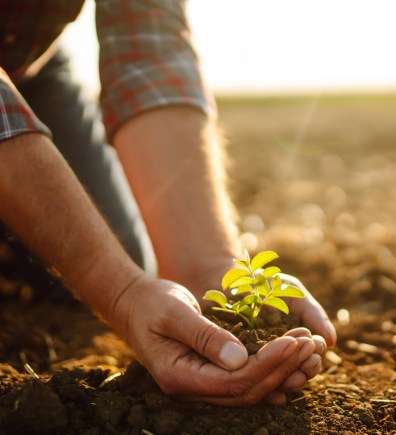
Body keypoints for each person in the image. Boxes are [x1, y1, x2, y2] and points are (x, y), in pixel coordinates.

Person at [0, 1, 336, 406]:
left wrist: (205, 264)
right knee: (102, 271)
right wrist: (122, 293)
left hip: (28, 66)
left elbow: (149, 50)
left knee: (116, 258)